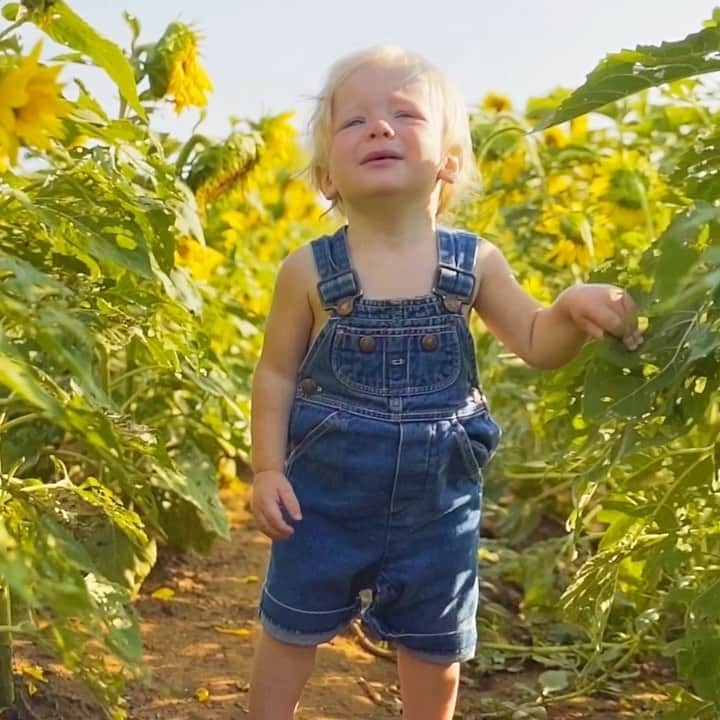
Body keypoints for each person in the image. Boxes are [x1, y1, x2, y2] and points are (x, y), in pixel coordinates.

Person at [247, 45, 643, 720]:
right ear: (325, 178)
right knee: (291, 628)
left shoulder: (476, 263)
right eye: (355, 121)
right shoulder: (307, 271)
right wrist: (264, 469)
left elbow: (534, 340)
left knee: (436, 649)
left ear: (450, 162)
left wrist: (573, 307)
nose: (378, 127)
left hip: (438, 508)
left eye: (404, 114)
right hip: (324, 500)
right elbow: (277, 371)